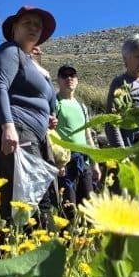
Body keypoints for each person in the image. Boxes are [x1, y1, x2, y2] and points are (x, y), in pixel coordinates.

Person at [0, 5, 59, 220]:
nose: (33, 27)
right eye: (27, 23)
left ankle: (26, 238)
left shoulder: (32, 63)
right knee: (32, 200)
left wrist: (49, 116)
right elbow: (0, 86)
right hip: (20, 131)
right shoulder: (10, 51)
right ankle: (31, 239)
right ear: (15, 28)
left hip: (37, 136)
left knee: (35, 196)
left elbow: (48, 101)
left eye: (37, 25)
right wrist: (8, 126)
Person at [54, 64, 101, 215]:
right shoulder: (55, 103)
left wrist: (95, 164)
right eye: (64, 75)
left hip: (84, 162)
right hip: (66, 163)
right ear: (58, 80)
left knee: (89, 208)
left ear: (77, 80)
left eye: (72, 75)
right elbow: (50, 133)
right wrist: (58, 162)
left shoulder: (82, 106)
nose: (69, 78)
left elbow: (88, 135)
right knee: (69, 209)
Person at [106, 34, 139, 148]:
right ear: (126, 59)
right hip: (131, 151)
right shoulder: (119, 83)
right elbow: (112, 122)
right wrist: (121, 152)